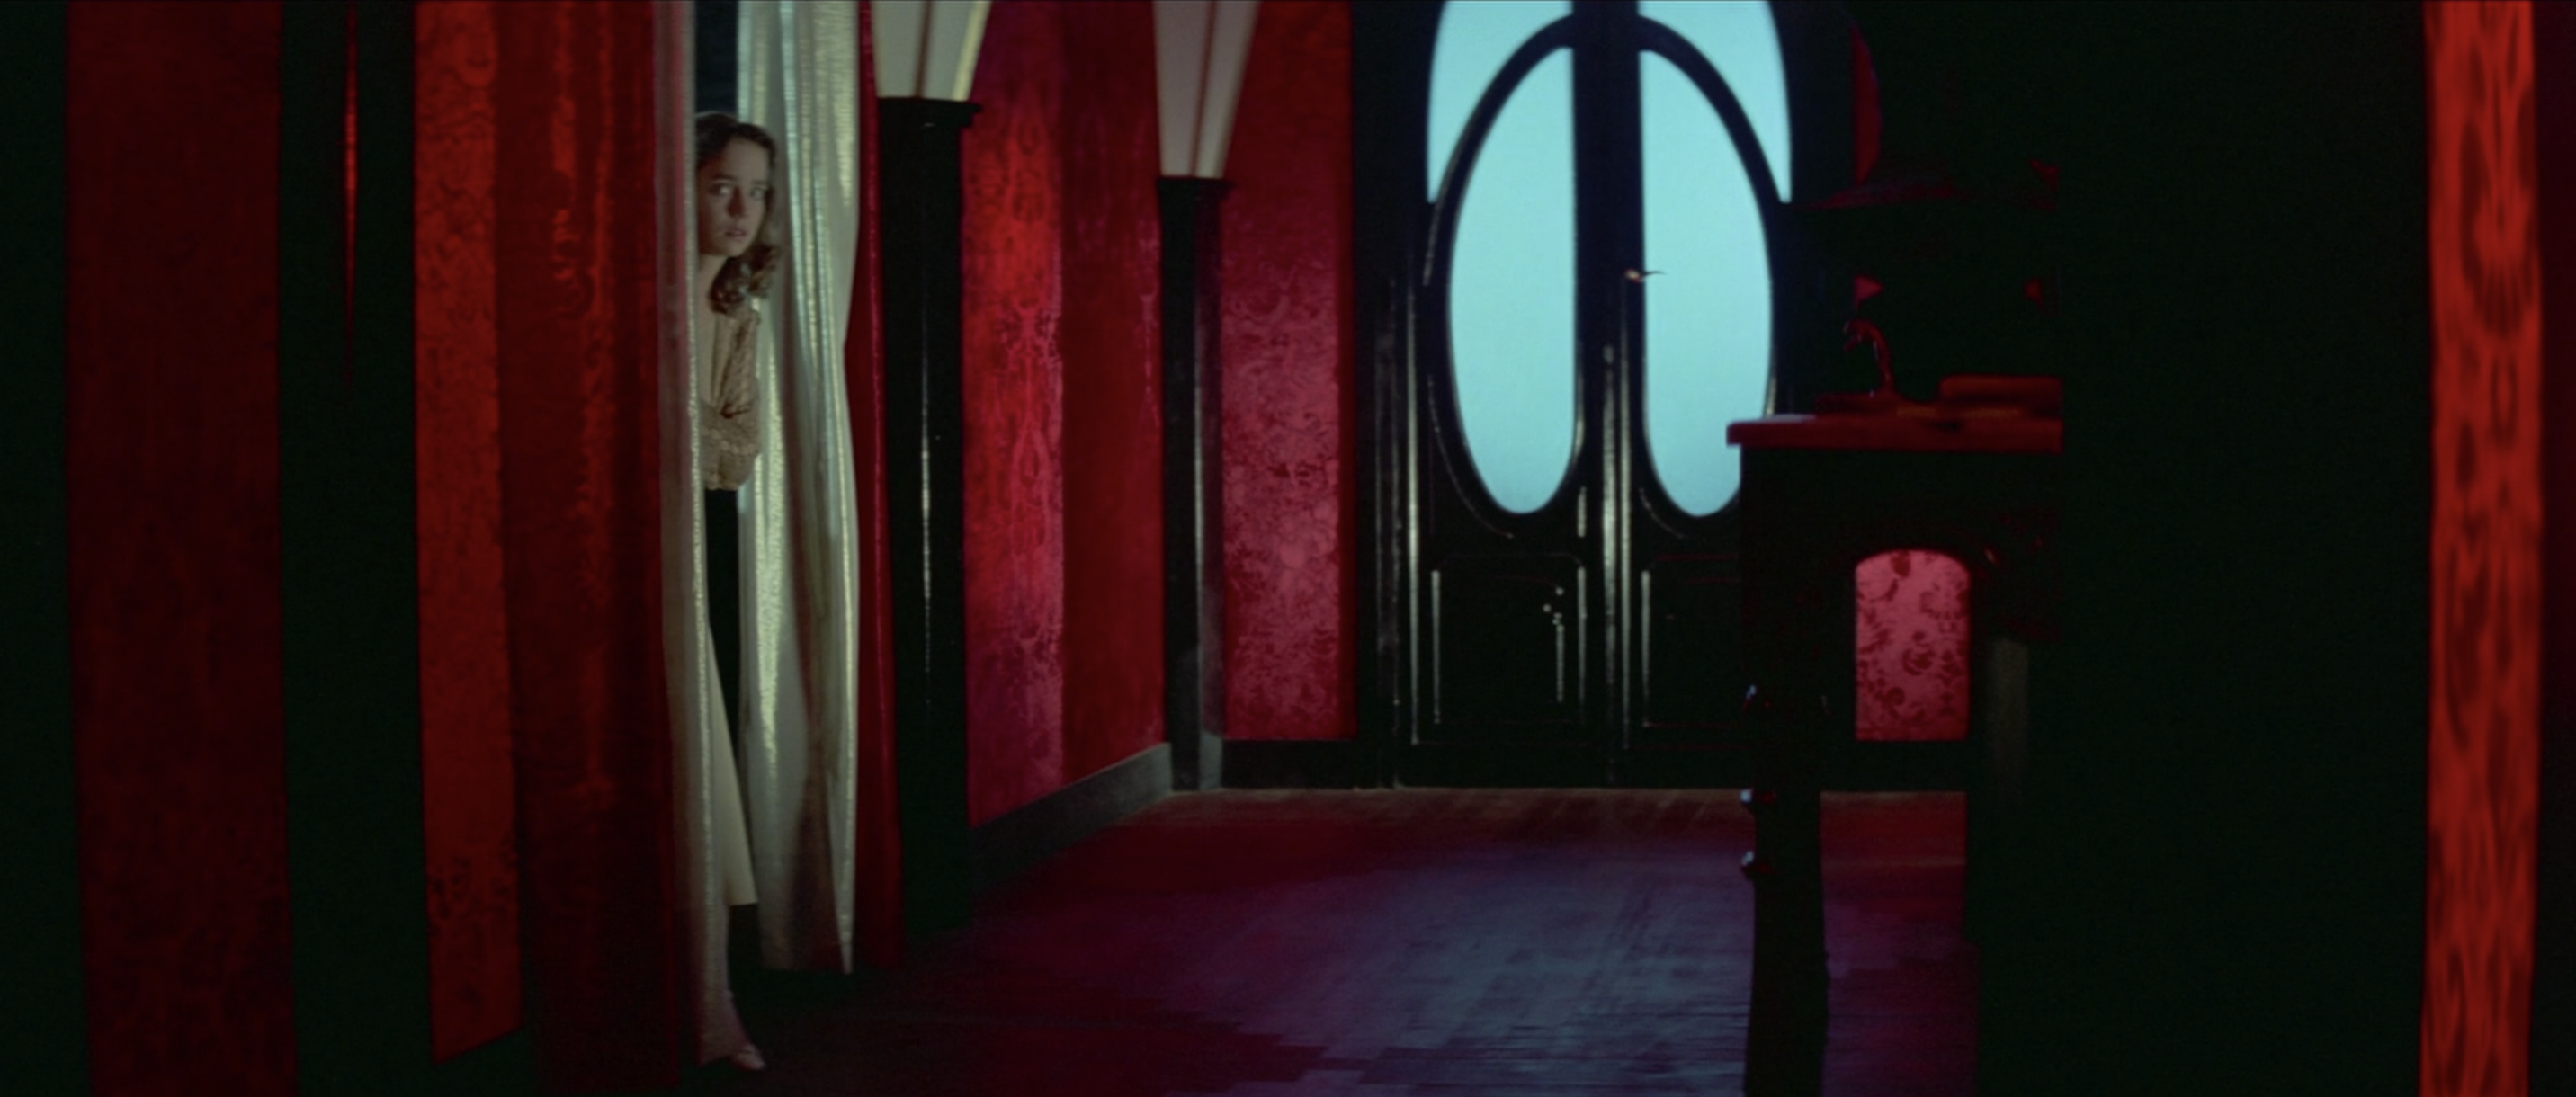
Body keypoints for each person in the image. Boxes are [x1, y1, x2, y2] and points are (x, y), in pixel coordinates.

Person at [693, 110, 775, 1075]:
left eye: (756, 192)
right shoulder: (655, 298)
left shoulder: (734, 316)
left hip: (696, 541)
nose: (741, 209)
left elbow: (731, 458)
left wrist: (693, 427)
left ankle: (713, 1003)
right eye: (722, 186)